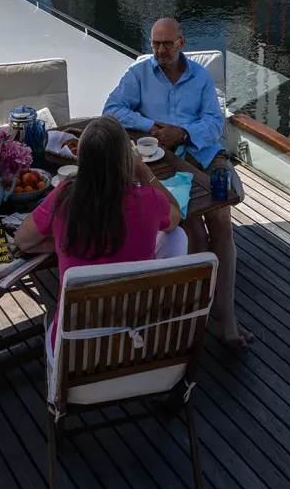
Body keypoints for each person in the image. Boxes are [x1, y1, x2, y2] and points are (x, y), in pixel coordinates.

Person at [102, 16, 253, 353]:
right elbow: (111, 109)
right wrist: (153, 123)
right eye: (155, 43)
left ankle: (225, 317)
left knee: (221, 224)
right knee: (189, 226)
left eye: (167, 44)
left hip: (203, 153)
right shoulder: (139, 74)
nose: (160, 50)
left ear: (182, 43)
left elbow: (214, 123)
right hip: (161, 159)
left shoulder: (199, 78)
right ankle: (193, 310)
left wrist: (183, 133)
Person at [14, 115, 186, 351]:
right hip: (133, 343)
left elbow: (23, 241)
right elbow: (176, 215)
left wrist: (65, 242)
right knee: (176, 236)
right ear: (127, 160)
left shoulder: (64, 196)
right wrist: (147, 175)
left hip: (75, 353)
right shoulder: (148, 200)